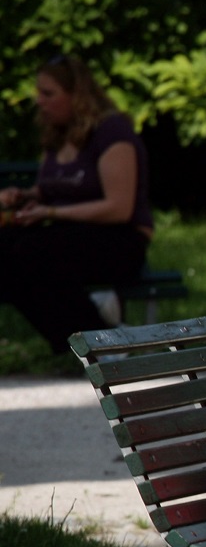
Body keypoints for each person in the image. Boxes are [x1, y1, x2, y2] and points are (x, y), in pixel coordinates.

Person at [0, 53, 154, 352]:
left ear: (77, 95)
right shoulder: (57, 135)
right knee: (6, 251)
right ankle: (92, 338)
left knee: (31, 252)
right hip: (64, 240)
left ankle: (98, 342)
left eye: (48, 94)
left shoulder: (112, 132)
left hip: (120, 241)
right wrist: (27, 197)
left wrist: (53, 211)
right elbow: (51, 189)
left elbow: (119, 208)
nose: (40, 101)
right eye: (39, 93)